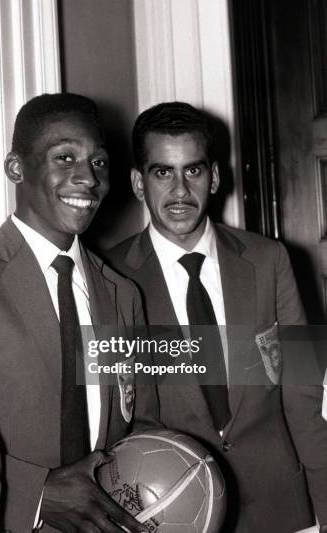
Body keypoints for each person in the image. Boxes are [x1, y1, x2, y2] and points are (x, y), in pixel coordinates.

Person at [105, 101, 327, 533]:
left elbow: (307, 395)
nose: (180, 190)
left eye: (194, 170)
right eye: (162, 172)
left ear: (215, 177)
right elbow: (116, 421)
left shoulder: (272, 260)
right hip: (174, 514)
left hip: (283, 509)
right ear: (137, 182)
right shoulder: (108, 278)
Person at [0, 93, 147, 533]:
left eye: (99, 163)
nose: (87, 178)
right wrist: (37, 492)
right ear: (16, 168)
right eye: (65, 157)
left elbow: (141, 418)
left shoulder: (123, 294)